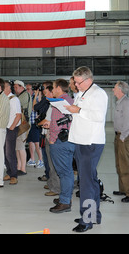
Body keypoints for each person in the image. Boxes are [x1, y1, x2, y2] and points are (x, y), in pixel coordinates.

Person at [65, 66, 108, 233]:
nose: (76, 84)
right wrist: (71, 110)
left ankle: (87, 219)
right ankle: (94, 215)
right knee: (91, 179)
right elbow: (80, 113)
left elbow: (98, 116)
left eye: (78, 82)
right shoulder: (82, 93)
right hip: (80, 140)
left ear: (88, 79)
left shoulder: (98, 94)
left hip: (90, 142)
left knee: (86, 182)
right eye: (75, 81)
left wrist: (79, 110)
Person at [47, 79, 75, 213]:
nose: (52, 90)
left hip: (60, 141)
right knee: (67, 171)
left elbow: (56, 123)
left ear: (58, 88)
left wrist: (52, 139)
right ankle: (65, 197)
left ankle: (65, 202)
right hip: (70, 140)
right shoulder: (70, 100)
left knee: (64, 172)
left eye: (53, 87)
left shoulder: (58, 103)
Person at [112, 81, 129, 203]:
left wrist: (123, 136)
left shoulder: (126, 103)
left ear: (120, 90)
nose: (113, 90)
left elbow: (128, 121)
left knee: (125, 165)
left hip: (124, 137)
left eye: (114, 88)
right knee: (119, 164)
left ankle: (128, 192)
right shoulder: (120, 102)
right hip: (118, 136)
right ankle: (123, 189)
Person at [3, 81, 22, 185]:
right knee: (5, 152)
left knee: (10, 153)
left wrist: (11, 127)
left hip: (10, 129)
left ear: (8, 89)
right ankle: (9, 173)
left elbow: (18, 115)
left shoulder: (14, 99)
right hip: (3, 128)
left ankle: (14, 175)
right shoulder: (3, 99)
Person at [14, 80, 32, 176]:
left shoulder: (24, 95)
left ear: (22, 87)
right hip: (20, 124)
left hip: (23, 125)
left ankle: (23, 168)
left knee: (21, 147)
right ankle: (19, 167)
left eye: (16, 87)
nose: (15, 89)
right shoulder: (21, 96)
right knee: (18, 147)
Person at [27, 84, 44, 168]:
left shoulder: (36, 97)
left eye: (29, 89)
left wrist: (38, 92)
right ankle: (32, 159)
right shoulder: (28, 98)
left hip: (35, 123)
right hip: (30, 123)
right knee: (30, 142)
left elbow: (34, 108)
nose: (27, 91)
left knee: (37, 143)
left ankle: (40, 160)